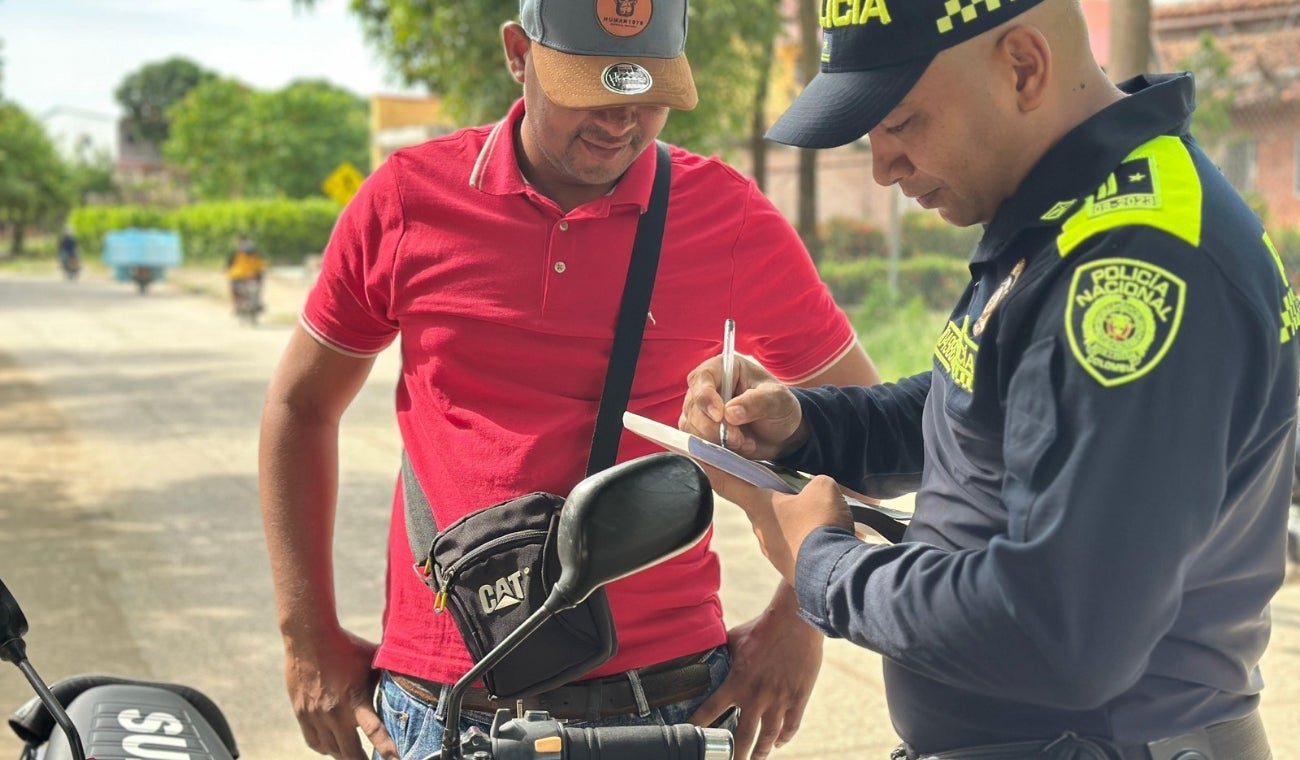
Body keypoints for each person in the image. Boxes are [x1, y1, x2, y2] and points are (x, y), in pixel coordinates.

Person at [257, 0, 882, 758]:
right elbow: (301, 406)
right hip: (440, 704)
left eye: (648, 93)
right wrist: (305, 634)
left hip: (664, 703)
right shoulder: (408, 199)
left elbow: (869, 427)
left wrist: (799, 621)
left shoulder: (727, 217)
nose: (620, 121)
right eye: (591, 89)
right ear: (519, 54)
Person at [679, 0, 1300, 758]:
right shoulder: (1070, 211)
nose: (881, 166)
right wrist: (807, 424)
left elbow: (1060, 632)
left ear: (1023, 68)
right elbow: (984, 404)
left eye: (902, 123)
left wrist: (826, 565)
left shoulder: (1135, 265)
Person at [226, 234, 268, 315]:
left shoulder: (237, 252)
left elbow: (229, 264)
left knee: (235, 288)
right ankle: (240, 305)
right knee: (257, 288)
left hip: (241, 276)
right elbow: (263, 264)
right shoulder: (255, 251)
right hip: (253, 275)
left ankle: (237, 305)